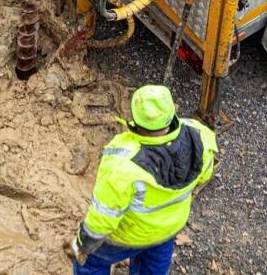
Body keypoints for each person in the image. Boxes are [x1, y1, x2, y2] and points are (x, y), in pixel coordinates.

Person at [69, 85, 218, 274]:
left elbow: (104, 215)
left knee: (91, 264)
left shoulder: (123, 160)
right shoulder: (199, 136)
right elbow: (204, 175)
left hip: (128, 237)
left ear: (134, 119)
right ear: (171, 112)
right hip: (166, 231)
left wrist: (83, 243)